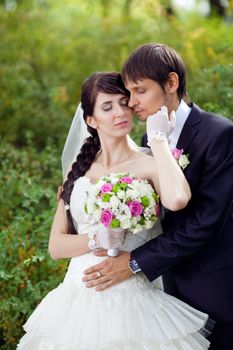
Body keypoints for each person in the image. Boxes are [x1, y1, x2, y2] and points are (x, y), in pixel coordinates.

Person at [17, 71, 211, 350]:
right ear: (91, 120)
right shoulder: (78, 170)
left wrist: (158, 141)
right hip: (76, 303)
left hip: (134, 300)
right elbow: (56, 246)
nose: (120, 112)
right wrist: (96, 238)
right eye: (107, 107)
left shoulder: (149, 162)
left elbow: (178, 200)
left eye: (124, 103)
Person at [83, 44, 233, 350]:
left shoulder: (219, 134)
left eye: (140, 90)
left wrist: (135, 262)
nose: (132, 103)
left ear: (172, 83)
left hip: (214, 289)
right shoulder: (145, 140)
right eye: (129, 92)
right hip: (166, 287)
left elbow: (205, 223)